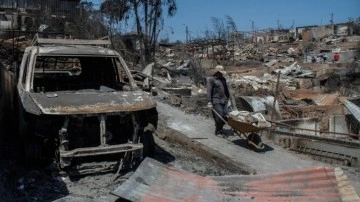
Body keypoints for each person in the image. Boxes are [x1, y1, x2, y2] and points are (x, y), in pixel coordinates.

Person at [206, 70, 230, 136]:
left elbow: (226, 89)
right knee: (219, 115)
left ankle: (219, 127)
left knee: (226, 116)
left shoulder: (223, 79)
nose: (222, 74)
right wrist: (209, 101)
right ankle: (218, 131)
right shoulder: (211, 79)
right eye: (221, 73)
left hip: (224, 100)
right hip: (216, 100)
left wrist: (228, 98)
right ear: (217, 72)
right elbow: (209, 90)